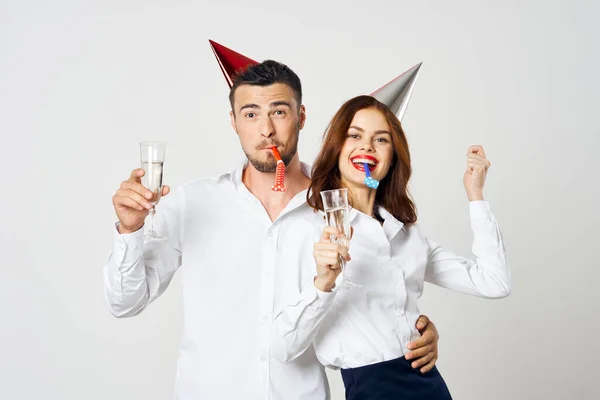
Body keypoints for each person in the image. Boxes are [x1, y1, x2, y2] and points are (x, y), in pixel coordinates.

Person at [104, 60, 441, 399]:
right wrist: (130, 231)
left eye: (279, 112)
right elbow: (124, 303)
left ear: (302, 117)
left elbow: (385, 292)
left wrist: (413, 335)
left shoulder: (341, 212)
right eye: (250, 114)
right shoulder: (193, 202)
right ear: (234, 122)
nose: (265, 129)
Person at [272, 95, 511, 399]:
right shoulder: (307, 228)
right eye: (354, 135)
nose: (367, 147)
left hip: (428, 384)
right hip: (369, 387)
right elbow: (283, 347)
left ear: (393, 155)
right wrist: (323, 284)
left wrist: (475, 194)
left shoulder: (406, 232)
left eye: (380, 139)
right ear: (338, 148)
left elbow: (495, 283)